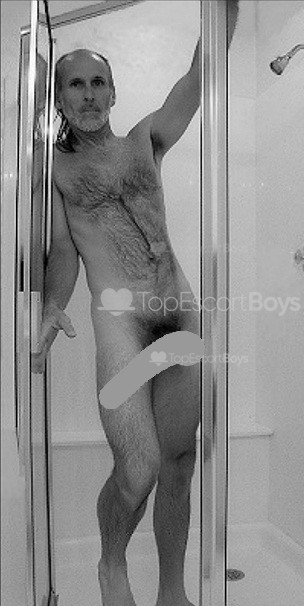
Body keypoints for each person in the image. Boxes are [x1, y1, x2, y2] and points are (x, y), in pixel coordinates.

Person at [32, 3, 239, 605]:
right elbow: (64, 252)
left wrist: (225, 10)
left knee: (179, 461)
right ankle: (110, 563)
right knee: (138, 468)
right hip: (122, 328)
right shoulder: (56, 172)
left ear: (113, 92)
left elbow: (199, 77)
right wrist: (51, 306)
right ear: (60, 99)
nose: (89, 94)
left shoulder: (146, 141)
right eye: (76, 84)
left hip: (180, 317)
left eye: (98, 82)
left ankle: (172, 591)